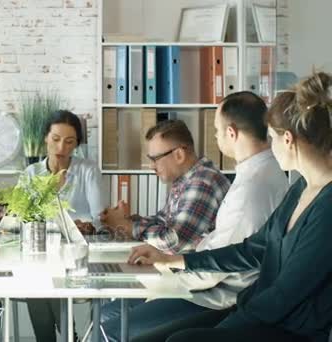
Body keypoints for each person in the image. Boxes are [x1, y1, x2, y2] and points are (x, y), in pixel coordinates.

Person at [128, 72, 332, 342]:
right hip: (260, 313)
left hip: (287, 328)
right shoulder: (300, 189)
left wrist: (228, 324)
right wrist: (178, 260)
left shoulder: (327, 207)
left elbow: (286, 295)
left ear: (288, 140)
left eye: (271, 138)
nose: (268, 147)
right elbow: (253, 249)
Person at [100, 91, 289, 341]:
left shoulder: (251, 187)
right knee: (109, 315)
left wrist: (171, 270)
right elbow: (220, 242)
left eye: (216, 131)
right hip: (210, 283)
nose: (215, 137)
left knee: (112, 328)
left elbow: (222, 263)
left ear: (231, 133)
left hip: (219, 296)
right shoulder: (259, 173)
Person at [25, 110, 105, 342]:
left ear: (77, 144)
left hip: (78, 250)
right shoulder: (32, 173)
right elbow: (26, 217)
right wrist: (51, 188)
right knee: (37, 279)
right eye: (56, 139)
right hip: (41, 248)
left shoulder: (87, 170)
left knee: (47, 278)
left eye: (69, 142)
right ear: (45, 139)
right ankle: (70, 337)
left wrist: (87, 225)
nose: (61, 147)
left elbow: (99, 217)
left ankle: (70, 336)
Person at [101, 119, 230, 254]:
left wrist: (127, 227)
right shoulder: (184, 180)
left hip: (199, 271)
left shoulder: (203, 182)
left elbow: (172, 240)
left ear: (179, 155)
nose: (151, 166)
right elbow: (162, 221)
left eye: (155, 159)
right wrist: (125, 220)